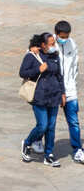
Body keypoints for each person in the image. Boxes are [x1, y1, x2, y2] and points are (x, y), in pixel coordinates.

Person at [41, 20, 84, 163]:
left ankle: (78, 150)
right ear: (56, 33)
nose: (64, 39)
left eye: (67, 36)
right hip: (53, 89)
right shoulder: (50, 42)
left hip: (70, 89)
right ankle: (47, 151)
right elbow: (35, 51)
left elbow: (75, 65)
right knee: (49, 124)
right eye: (62, 36)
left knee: (74, 122)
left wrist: (71, 82)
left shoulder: (72, 44)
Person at [20, 32, 64, 167]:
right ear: (43, 45)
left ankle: (48, 154)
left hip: (54, 96)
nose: (54, 46)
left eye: (54, 43)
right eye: (51, 44)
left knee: (51, 127)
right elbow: (23, 73)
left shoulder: (55, 56)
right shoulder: (32, 56)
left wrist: (62, 94)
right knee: (42, 125)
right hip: (39, 97)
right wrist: (38, 69)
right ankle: (27, 143)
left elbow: (59, 76)